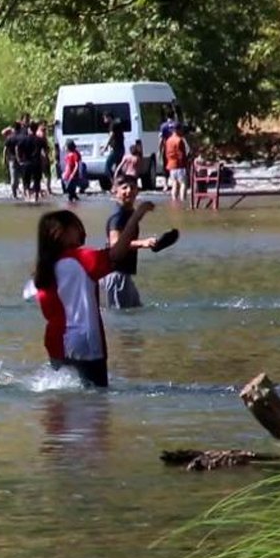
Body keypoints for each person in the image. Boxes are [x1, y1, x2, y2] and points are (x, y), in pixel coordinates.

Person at [31, 203, 155, 387]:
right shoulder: (81, 259)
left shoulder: (43, 270)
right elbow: (116, 254)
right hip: (84, 342)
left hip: (55, 341)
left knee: (63, 404)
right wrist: (136, 216)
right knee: (96, 402)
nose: (82, 233)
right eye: (77, 228)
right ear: (61, 233)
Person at [103, 175, 164, 309]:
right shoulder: (117, 216)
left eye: (132, 187)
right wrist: (143, 243)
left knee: (136, 311)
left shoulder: (128, 212)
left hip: (124, 274)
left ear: (137, 191)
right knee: (122, 321)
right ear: (115, 191)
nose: (129, 191)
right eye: (124, 188)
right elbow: (115, 244)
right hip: (116, 275)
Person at [165, 124, 190, 202]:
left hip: (171, 165)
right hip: (180, 165)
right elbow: (181, 154)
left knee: (174, 184)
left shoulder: (168, 140)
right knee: (183, 183)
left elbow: (166, 153)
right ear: (178, 130)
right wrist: (186, 165)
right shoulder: (179, 140)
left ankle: (174, 201)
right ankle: (183, 201)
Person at [2, 121, 25, 198]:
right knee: (24, 177)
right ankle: (26, 192)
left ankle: (14, 194)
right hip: (22, 159)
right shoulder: (22, 137)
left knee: (14, 178)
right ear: (20, 128)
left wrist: (4, 159)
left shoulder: (9, 138)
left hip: (12, 160)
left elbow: (5, 150)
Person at [102, 113, 126, 178]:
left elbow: (111, 136)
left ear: (109, 117)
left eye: (105, 118)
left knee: (107, 167)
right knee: (118, 168)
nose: (104, 120)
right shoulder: (117, 123)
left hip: (116, 149)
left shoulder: (112, 124)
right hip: (121, 148)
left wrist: (105, 147)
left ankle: (113, 182)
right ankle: (120, 182)